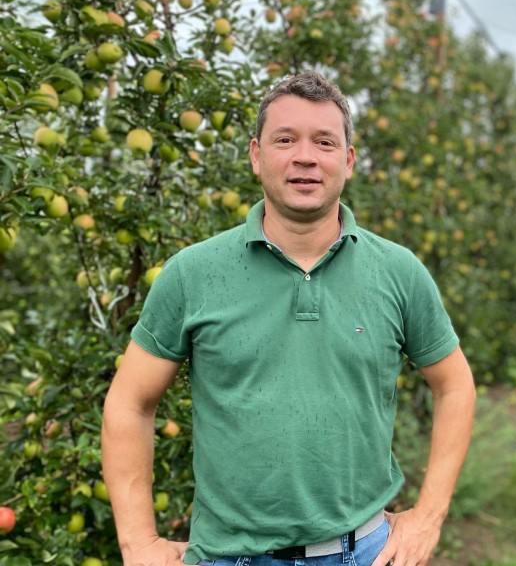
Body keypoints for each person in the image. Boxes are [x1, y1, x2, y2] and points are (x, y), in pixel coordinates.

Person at [102, 70, 477, 566]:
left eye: (324, 142)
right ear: (257, 156)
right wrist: (137, 542)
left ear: (348, 161)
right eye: (285, 140)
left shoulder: (398, 272)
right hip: (229, 556)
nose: (305, 156)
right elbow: (130, 401)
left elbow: (455, 385)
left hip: (364, 551)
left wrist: (429, 515)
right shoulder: (192, 274)